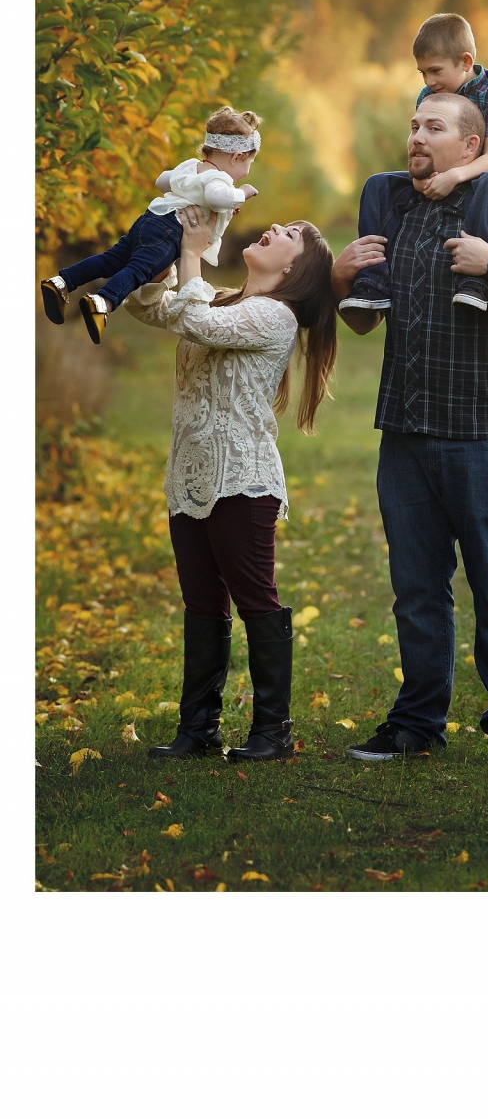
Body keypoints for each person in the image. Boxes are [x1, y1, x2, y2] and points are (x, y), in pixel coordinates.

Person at [332, 91, 488, 768]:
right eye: (413, 124)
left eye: (433, 127)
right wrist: (341, 274)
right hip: (404, 434)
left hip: (485, 435)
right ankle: (415, 725)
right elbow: (361, 320)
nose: (416, 136)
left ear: (471, 147)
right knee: (416, 590)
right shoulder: (396, 215)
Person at [123, 207, 337, 761]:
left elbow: (198, 325)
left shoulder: (276, 317)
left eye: (289, 236)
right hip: (190, 472)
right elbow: (153, 310)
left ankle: (273, 732)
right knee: (201, 602)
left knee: (253, 600)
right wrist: (159, 263)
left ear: (296, 271)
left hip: (242, 479)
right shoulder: (221, 298)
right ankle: (198, 731)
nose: (275, 229)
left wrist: (193, 253)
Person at [340, 12, 488, 316]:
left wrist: (453, 176)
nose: (429, 81)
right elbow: (420, 146)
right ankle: (373, 281)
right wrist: (419, 180)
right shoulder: (430, 94)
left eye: (435, 71)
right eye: (422, 72)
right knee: (378, 184)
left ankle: (474, 282)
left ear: (465, 63)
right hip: (446, 174)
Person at [40, 107, 260, 345]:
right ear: (236, 156)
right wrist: (241, 194)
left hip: (150, 218)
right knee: (140, 270)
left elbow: (162, 181)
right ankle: (103, 301)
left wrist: (192, 190)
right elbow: (218, 196)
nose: (244, 175)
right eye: (248, 165)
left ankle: (61, 282)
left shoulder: (190, 167)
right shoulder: (220, 179)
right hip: (170, 231)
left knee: (111, 259)